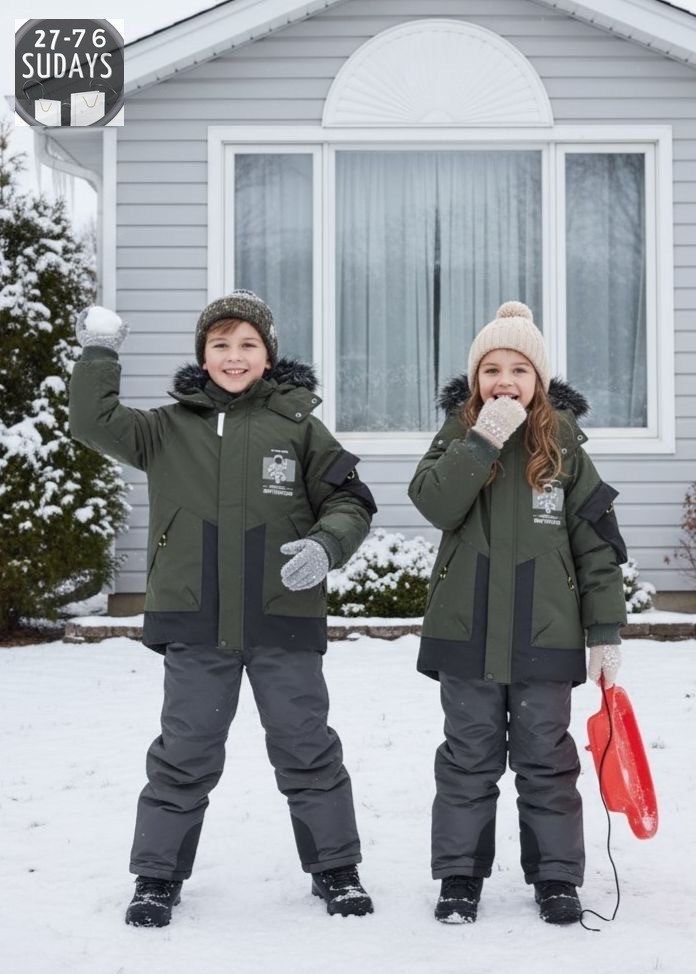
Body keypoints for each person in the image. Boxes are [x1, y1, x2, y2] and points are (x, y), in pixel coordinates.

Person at [69, 290, 377, 927]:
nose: (234, 357)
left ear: (267, 356)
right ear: (203, 356)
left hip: (281, 616)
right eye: (220, 345)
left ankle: (336, 869)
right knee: (185, 750)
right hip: (195, 618)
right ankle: (156, 878)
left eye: (247, 345)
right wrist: (98, 354)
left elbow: (351, 502)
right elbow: (93, 422)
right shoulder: (165, 428)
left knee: (307, 746)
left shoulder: (299, 428)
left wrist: (327, 545)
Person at [408, 301, 627, 926]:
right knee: (467, 757)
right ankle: (459, 877)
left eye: (520, 370)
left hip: (546, 636)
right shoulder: (458, 435)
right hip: (466, 634)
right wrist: (482, 440)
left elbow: (597, 549)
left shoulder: (566, 450)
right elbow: (435, 503)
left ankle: (556, 877)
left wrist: (605, 632)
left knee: (547, 760)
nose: (505, 381)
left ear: (541, 381)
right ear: (476, 379)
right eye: (492, 369)